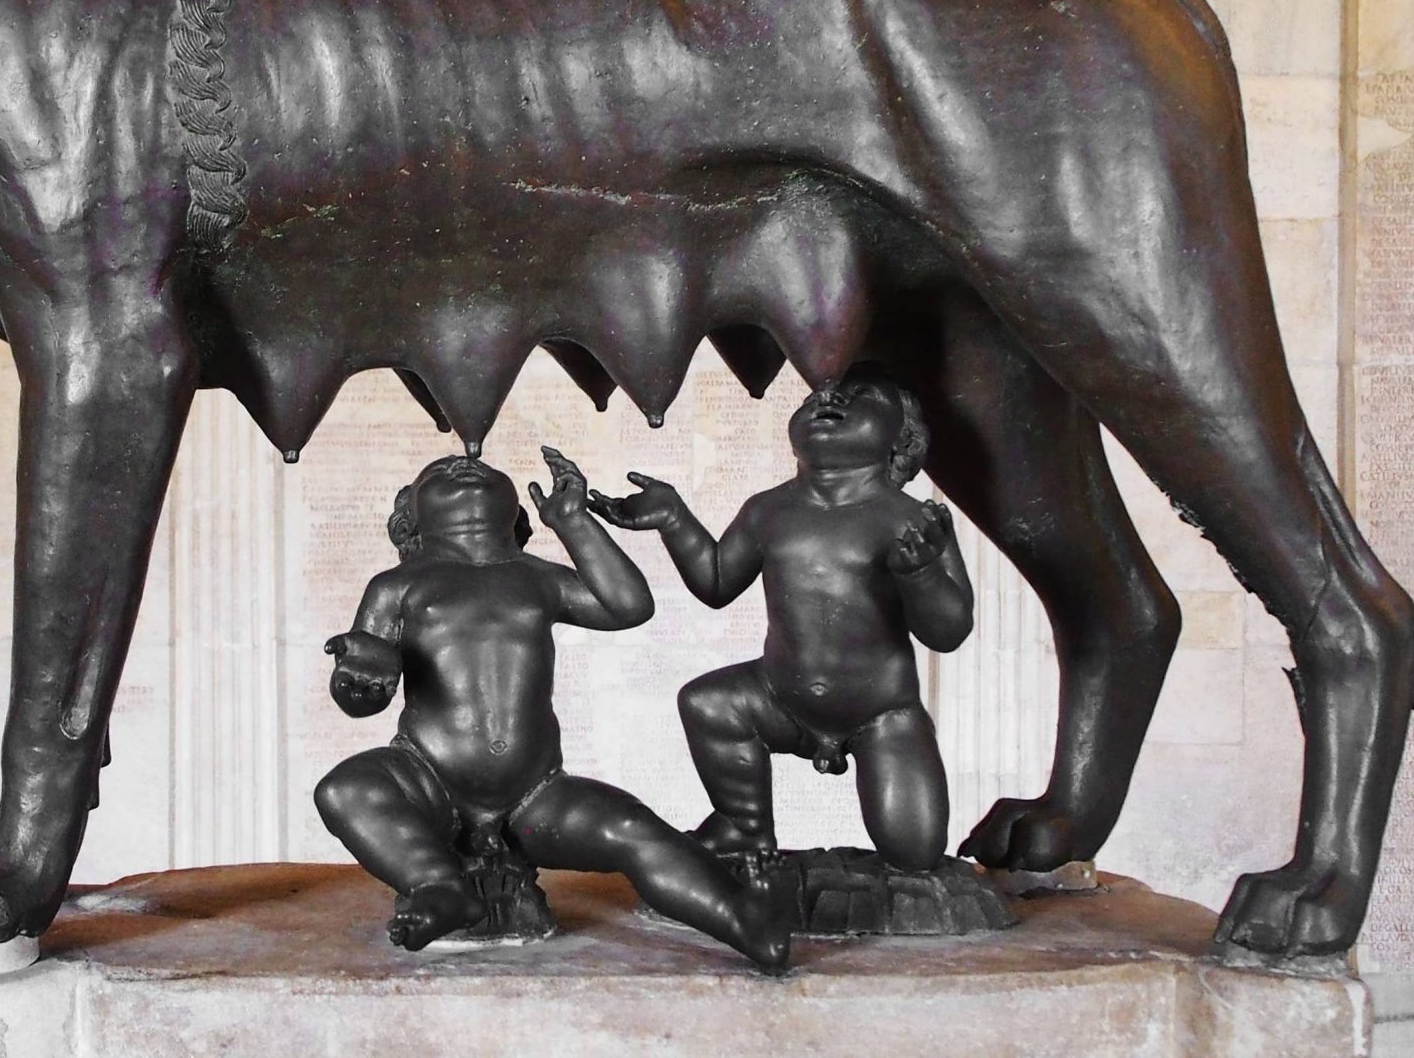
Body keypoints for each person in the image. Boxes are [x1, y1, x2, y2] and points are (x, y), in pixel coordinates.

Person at [315, 448, 792, 971]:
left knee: (634, 830)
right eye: (439, 473)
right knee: (345, 789)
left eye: (479, 469)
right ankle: (437, 884)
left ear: (516, 512)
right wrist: (361, 680)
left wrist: (573, 521)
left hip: (537, 791)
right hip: (426, 775)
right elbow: (362, 686)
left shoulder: (537, 576)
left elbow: (627, 606)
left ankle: (741, 918)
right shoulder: (397, 586)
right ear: (412, 519)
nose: (462, 466)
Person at [590, 367, 972, 870]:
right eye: (819, 393)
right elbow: (717, 582)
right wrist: (673, 518)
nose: (830, 396)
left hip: (883, 713)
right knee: (709, 704)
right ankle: (743, 825)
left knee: (915, 854)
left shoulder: (912, 521)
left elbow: (948, 632)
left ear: (902, 440)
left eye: (861, 396)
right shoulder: (768, 510)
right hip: (777, 697)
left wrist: (921, 574)